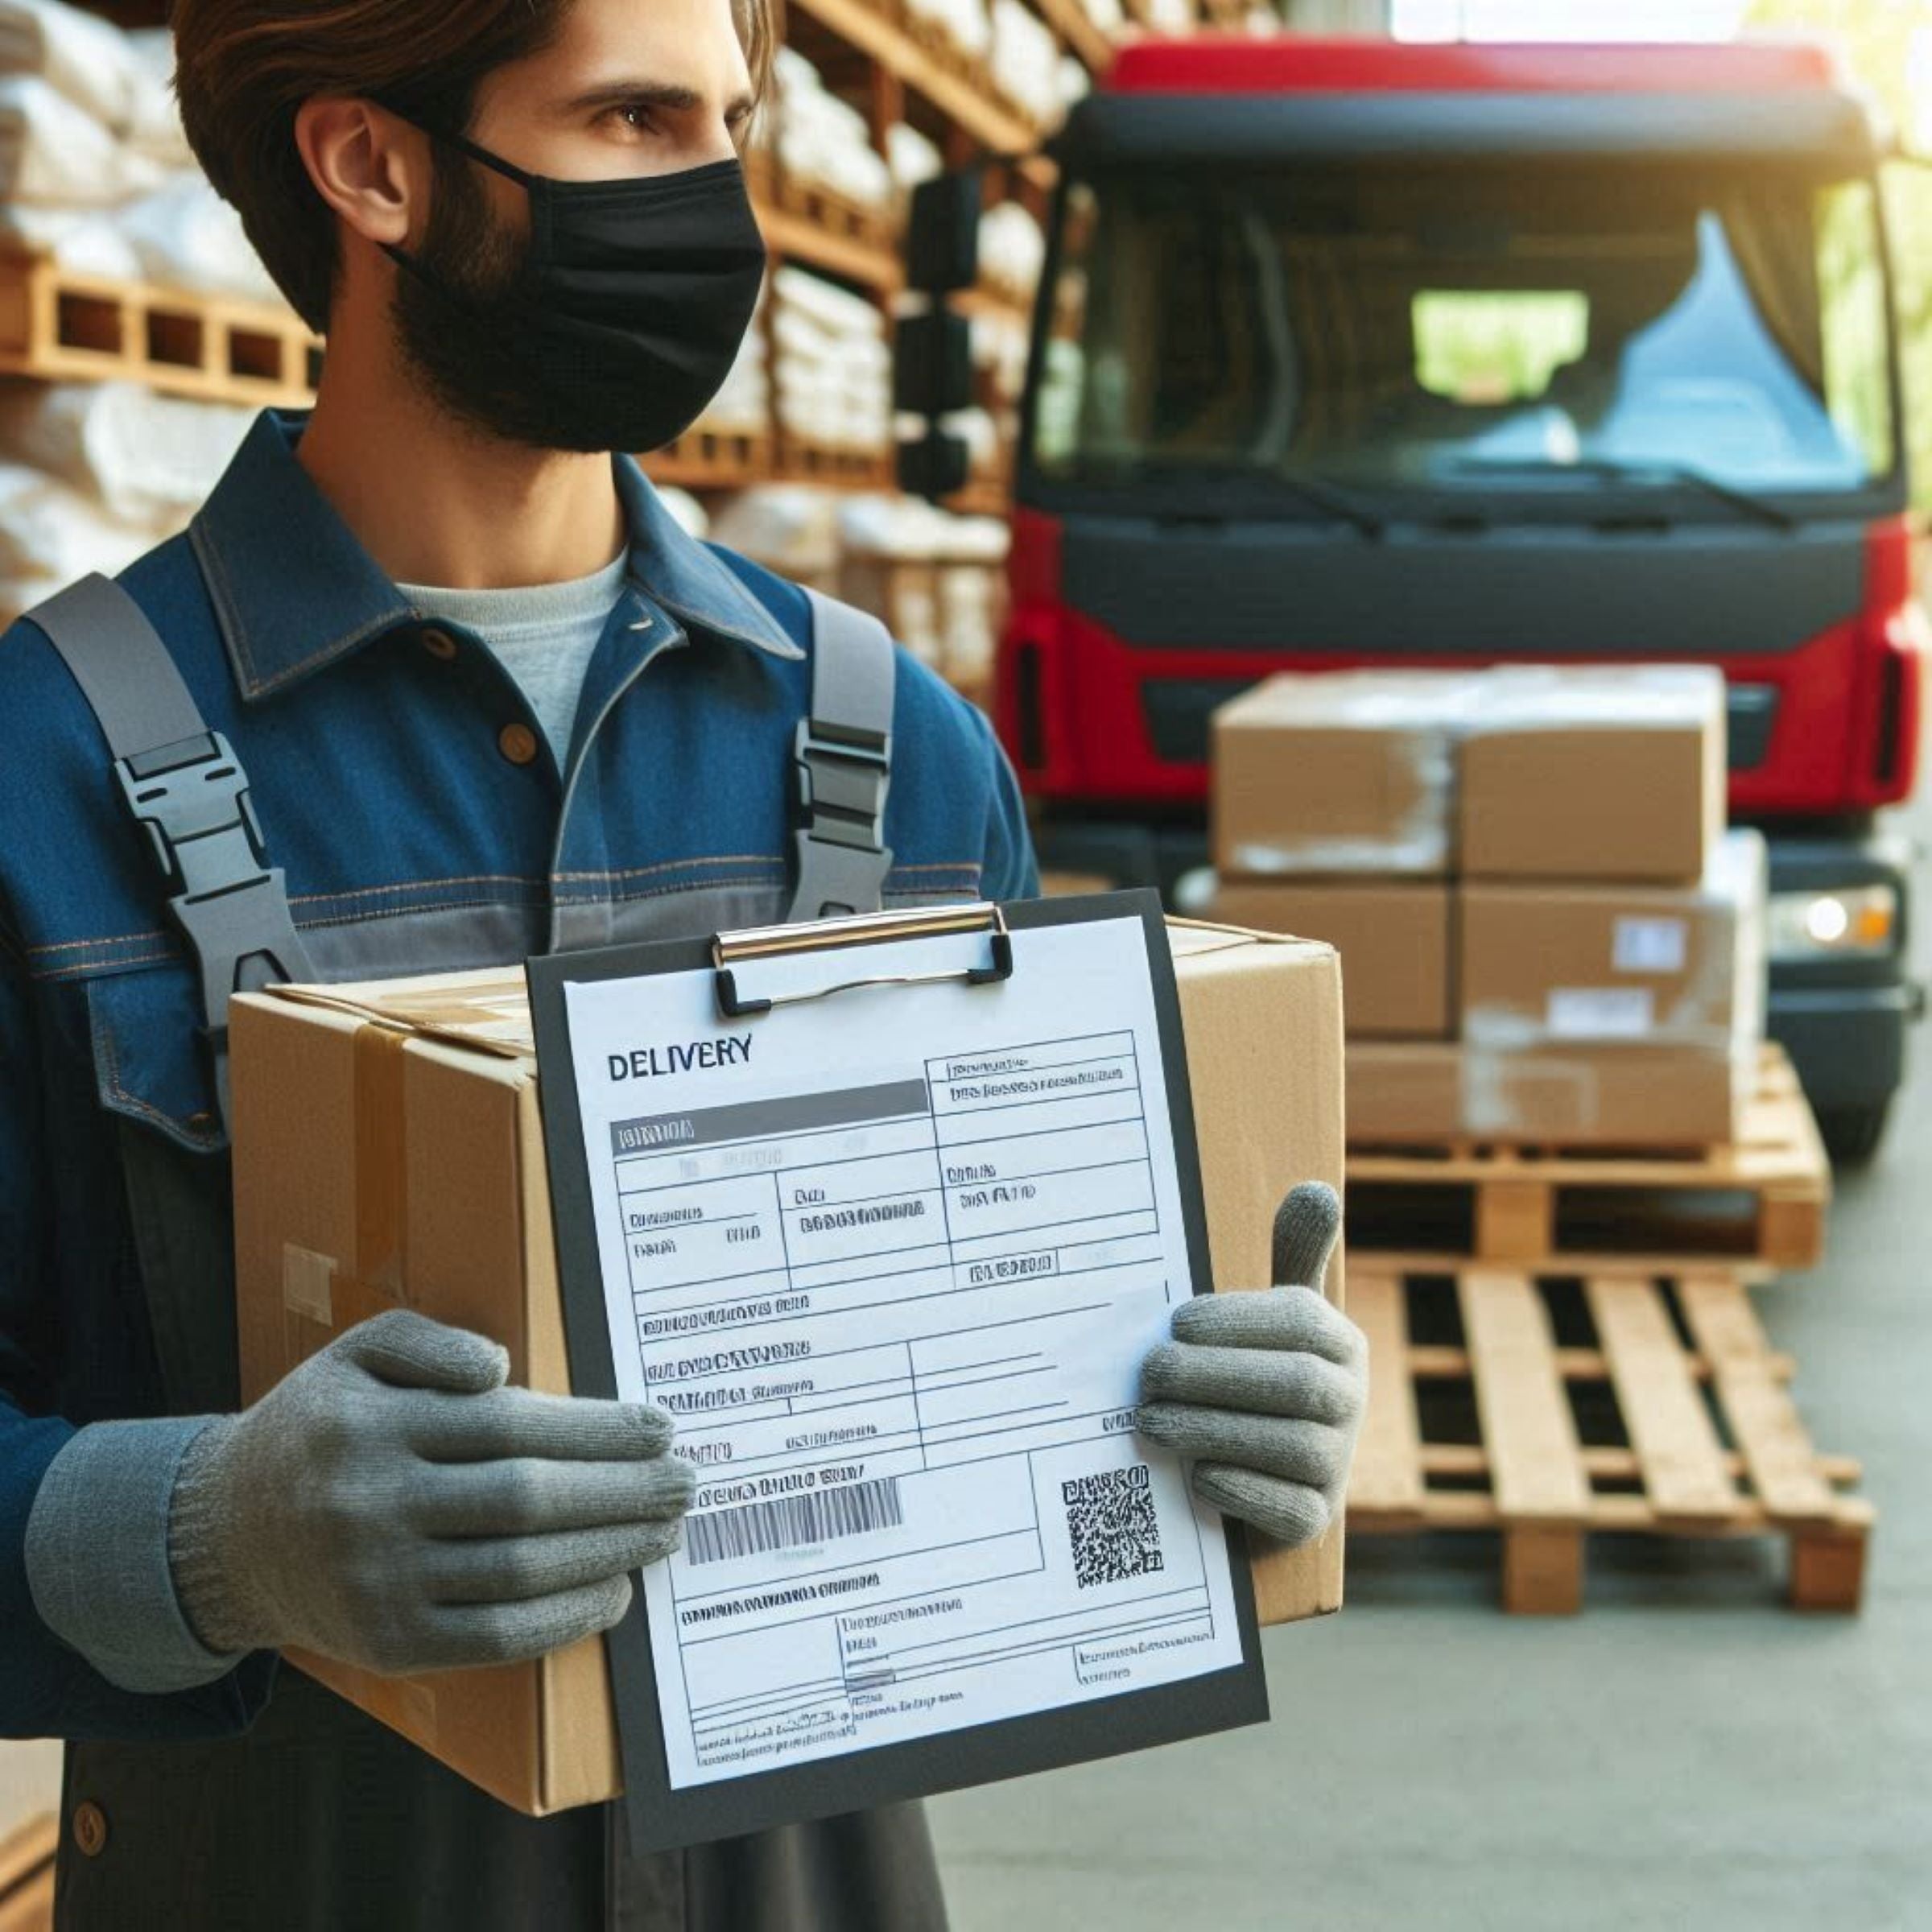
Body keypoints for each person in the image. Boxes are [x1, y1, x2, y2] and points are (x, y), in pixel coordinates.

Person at [0, 0, 1368, 1922]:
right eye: (635, 120)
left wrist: (1214, 1426)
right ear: (371, 165)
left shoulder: (895, 755)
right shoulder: (39, 778)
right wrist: (208, 1539)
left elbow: (1026, 1379)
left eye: (730, 120)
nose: (716, 201)